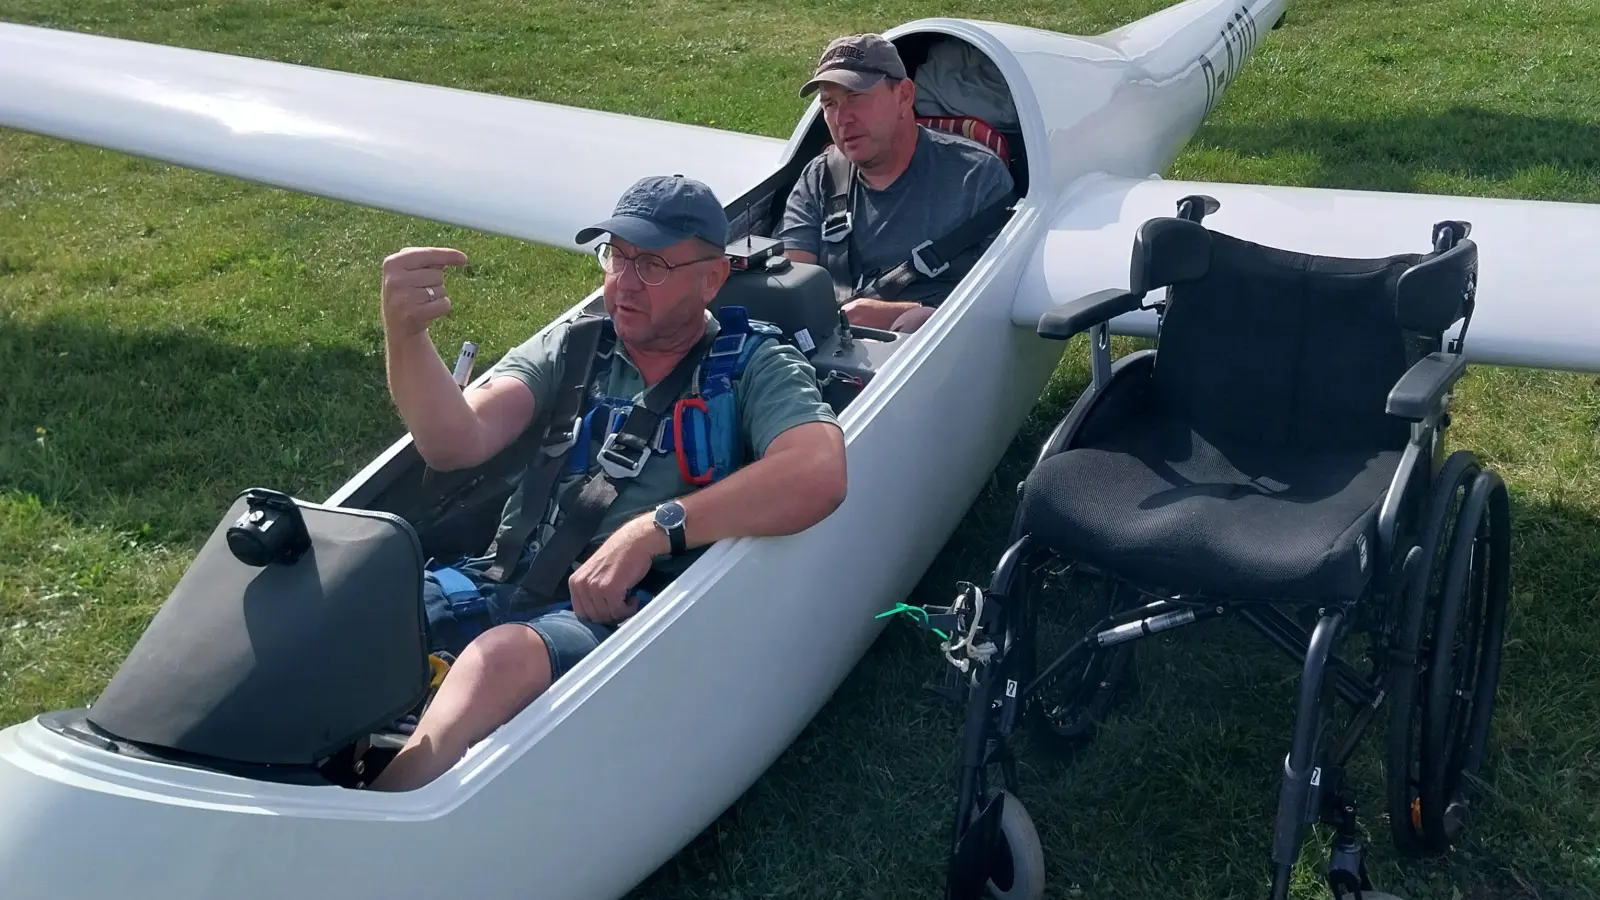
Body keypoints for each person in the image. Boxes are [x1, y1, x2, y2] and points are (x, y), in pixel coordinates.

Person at [369, 175, 848, 791]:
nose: (623, 281)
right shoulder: (575, 347)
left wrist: (654, 530)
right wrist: (407, 339)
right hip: (496, 584)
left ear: (712, 277)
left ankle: (389, 804)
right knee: (359, 597)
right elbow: (456, 441)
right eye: (616, 255)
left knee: (498, 660)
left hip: (620, 618)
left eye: (650, 264)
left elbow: (818, 470)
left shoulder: (756, 365)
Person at [776, 33, 1016, 334]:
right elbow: (793, 288)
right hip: (830, 349)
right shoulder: (820, 178)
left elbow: (1007, 295)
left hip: (939, 347)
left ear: (904, 96)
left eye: (855, 97)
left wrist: (925, 316)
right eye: (829, 103)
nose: (842, 118)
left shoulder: (977, 178)